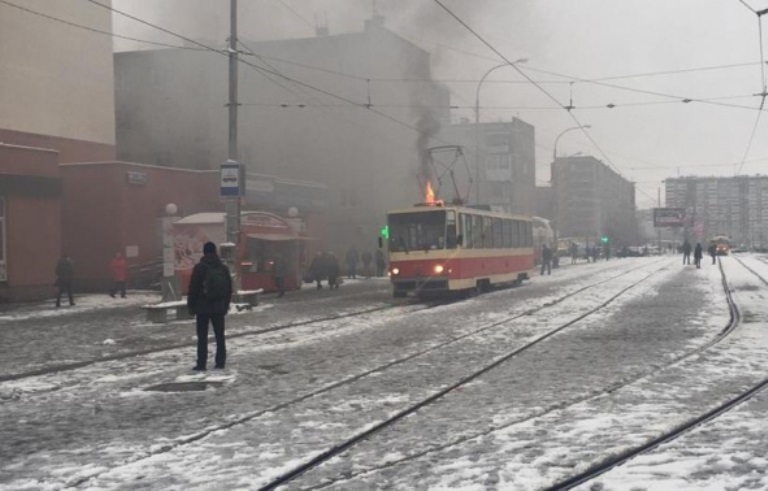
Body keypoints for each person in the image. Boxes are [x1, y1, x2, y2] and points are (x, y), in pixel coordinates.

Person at [187, 242, 232, 371]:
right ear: (215, 251)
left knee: (202, 337)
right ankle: (220, 362)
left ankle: (201, 363)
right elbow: (229, 288)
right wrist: (225, 305)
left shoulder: (200, 267)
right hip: (218, 307)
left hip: (202, 307)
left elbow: (193, 288)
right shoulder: (223, 268)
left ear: (204, 252)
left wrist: (191, 306)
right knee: (219, 336)